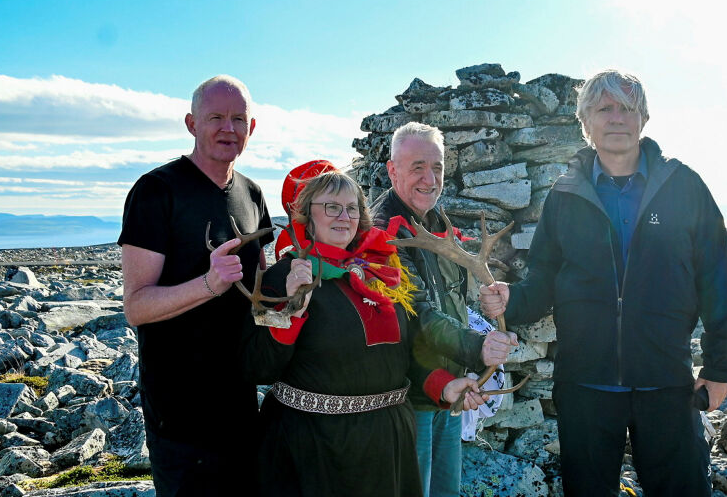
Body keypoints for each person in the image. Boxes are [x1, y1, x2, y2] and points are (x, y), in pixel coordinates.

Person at [479, 70, 727, 497]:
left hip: (666, 381)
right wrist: (512, 300)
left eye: (627, 109)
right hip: (585, 385)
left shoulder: (684, 187)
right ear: (587, 122)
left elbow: (717, 280)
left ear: (643, 119)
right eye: (605, 108)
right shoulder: (564, 195)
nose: (616, 118)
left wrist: (718, 368)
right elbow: (543, 278)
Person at [242, 164, 486, 496]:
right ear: (307, 216)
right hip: (314, 450)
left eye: (352, 208)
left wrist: (444, 385)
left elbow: (405, 352)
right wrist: (292, 309)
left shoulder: (378, 274)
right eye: (331, 207)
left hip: (387, 446)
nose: (343, 216)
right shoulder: (284, 277)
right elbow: (257, 365)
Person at [119, 75, 272, 496]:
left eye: (239, 119)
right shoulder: (156, 191)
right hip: (180, 415)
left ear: (252, 127)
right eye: (216, 118)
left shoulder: (252, 194)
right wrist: (207, 284)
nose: (229, 128)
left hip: (240, 404)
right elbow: (136, 307)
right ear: (191, 123)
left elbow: (261, 291)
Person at [370, 122, 518, 497]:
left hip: (445, 393)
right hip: (407, 400)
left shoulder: (436, 224)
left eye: (436, 167)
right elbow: (414, 314)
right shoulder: (382, 233)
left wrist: (490, 301)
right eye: (417, 166)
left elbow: (452, 301)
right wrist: (477, 348)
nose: (429, 178)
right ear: (392, 170)